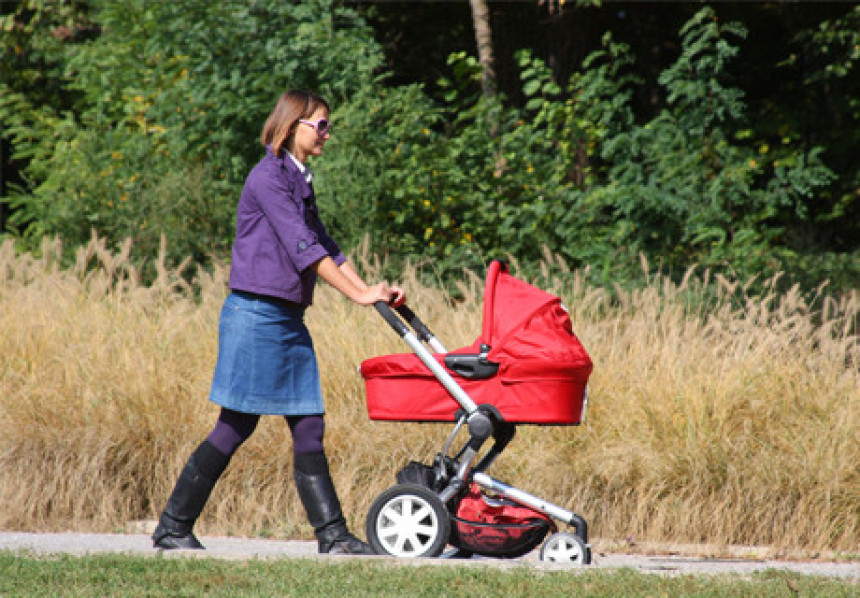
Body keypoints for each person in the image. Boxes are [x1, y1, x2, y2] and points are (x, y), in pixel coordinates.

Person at [151, 89, 403, 555]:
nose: (327, 133)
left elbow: (326, 245)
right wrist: (358, 296)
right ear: (292, 126)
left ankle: (332, 537)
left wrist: (373, 291)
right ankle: (172, 527)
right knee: (236, 425)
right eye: (320, 125)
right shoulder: (268, 177)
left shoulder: (298, 178)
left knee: (309, 423)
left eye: (329, 124)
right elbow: (303, 249)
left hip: (286, 320)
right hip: (256, 318)